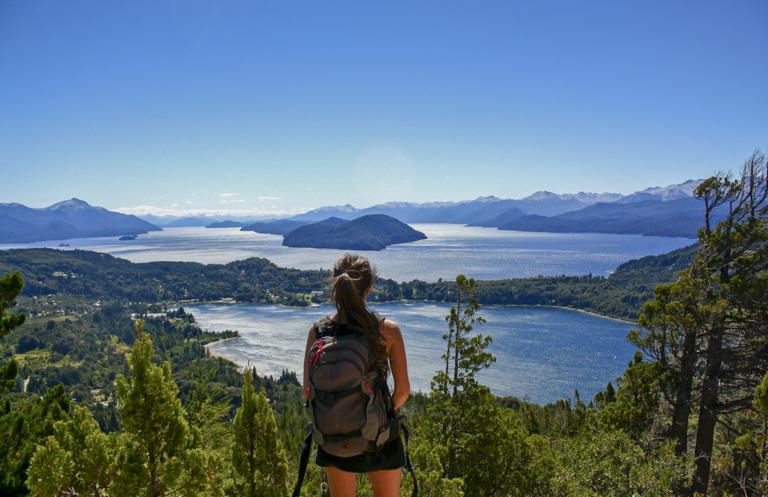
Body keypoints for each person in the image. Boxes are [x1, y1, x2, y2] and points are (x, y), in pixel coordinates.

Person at [303, 253, 411, 497]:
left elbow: (308, 391)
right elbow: (403, 392)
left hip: (333, 437)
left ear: (335, 286)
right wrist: (377, 416)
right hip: (380, 440)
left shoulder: (318, 332)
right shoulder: (387, 331)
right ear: (369, 288)